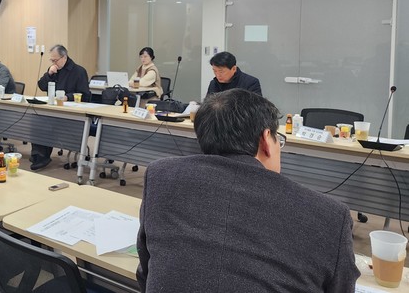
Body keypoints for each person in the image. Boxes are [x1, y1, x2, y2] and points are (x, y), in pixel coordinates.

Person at [136, 89, 359, 292]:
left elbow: (147, 271)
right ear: (266, 139)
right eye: (278, 139)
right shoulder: (329, 216)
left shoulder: (162, 176)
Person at [31, 44, 91, 170]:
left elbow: (85, 95)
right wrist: (49, 74)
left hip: (71, 114)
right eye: (51, 60)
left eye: (55, 60)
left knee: (45, 123)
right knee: (36, 118)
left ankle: (42, 156)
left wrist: (67, 97)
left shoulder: (79, 71)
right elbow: (42, 86)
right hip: (54, 109)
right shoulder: (54, 69)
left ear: (64, 57)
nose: (53, 63)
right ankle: (37, 154)